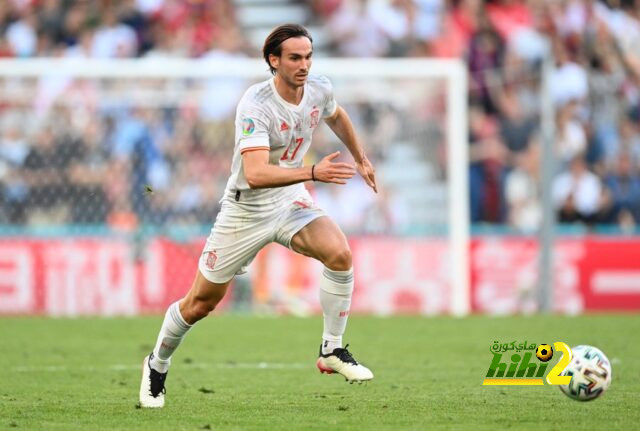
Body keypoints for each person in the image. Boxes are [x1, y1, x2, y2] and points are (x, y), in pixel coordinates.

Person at [139, 24, 378, 408]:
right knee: (200, 303)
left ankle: (331, 349)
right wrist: (314, 172)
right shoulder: (255, 104)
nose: (304, 65)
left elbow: (336, 115)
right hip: (245, 209)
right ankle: (157, 363)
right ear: (274, 61)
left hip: (289, 199)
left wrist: (361, 158)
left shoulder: (319, 87)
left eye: (308, 57)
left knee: (340, 255)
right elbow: (256, 173)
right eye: (295, 58)